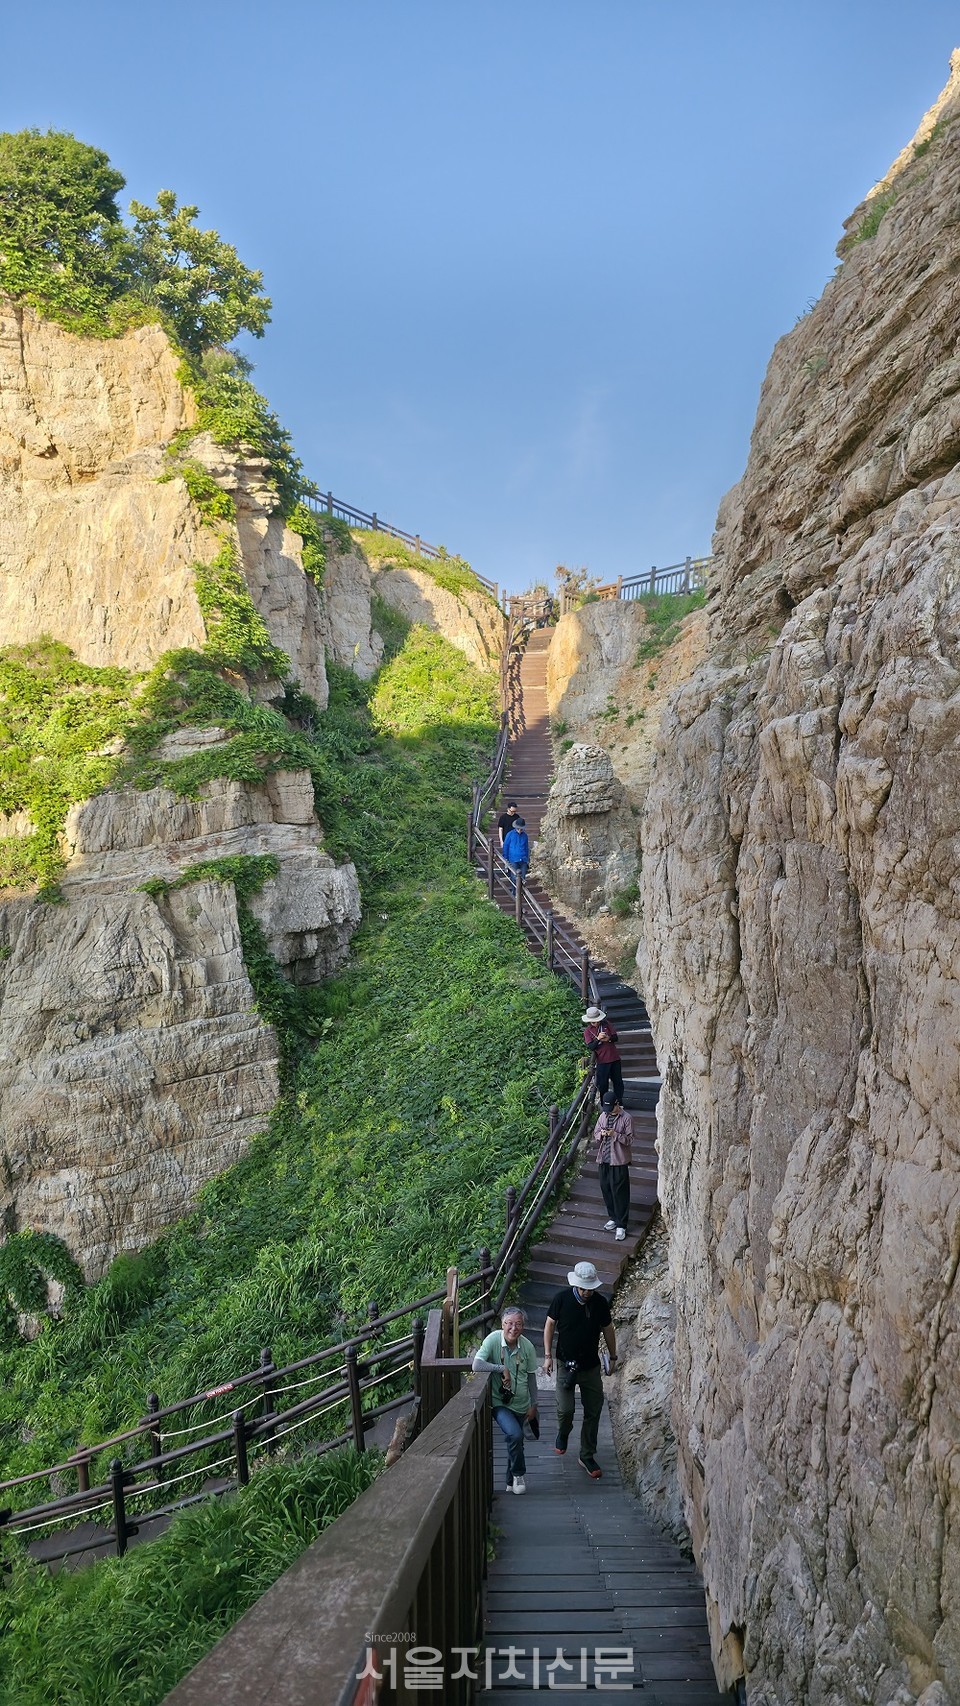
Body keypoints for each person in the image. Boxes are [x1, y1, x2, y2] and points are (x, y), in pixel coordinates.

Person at [543, 1261, 617, 1479]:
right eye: (583, 1288)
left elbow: (608, 1329)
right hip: (566, 1365)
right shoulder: (562, 1299)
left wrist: (613, 1356)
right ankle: (563, 1433)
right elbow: (549, 1325)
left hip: (591, 1366)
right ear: (576, 1284)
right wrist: (547, 1356)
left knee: (594, 1410)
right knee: (566, 1410)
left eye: (590, 1288)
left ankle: (586, 1454)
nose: (586, 1292)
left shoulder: (600, 1303)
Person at [473, 1305, 539, 1494]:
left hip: (522, 1403)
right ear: (502, 1324)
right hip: (500, 1402)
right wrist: (500, 1368)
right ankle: (519, 1474)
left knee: (516, 1440)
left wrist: (534, 1404)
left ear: (523, 1326)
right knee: (515, 1435)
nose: (513, 1328)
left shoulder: (527, 1346)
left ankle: (510, 1482)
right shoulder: (493, 1340)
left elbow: (532, 1378)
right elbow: (476, 1365)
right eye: (509, 1323)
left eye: (518, 1324)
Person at [594, 1089, 633, 1241]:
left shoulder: (627, 1118)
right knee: (606, 1188)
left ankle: (622, 1225)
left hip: (619, 1160)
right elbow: (596, 1133)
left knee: (620, 1192)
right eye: (607, 1110)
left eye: (611, 1109)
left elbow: (630, 1140)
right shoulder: (603, 1115)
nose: (609, 1112)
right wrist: (602, 1134)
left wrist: (615, 1134)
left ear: (617, 1104)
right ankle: (613, 1217)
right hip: (604, 1158)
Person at [581, 1005, 624, 1105]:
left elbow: (615, 1038)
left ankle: (619, 1102)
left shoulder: (606, 1024)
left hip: (614, 1058)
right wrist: (598, 1039)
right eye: (593, 1022)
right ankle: (605, 1104)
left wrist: (608, 1038)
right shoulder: (587, 1031)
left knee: (618, 1082)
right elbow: (591, 1046)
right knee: (603, 1084)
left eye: (596, 1021)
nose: (595, 1023)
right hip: (602, 1061)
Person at [502, 816, 529, 895]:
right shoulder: (510, 834)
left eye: (521, 829)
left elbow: (526, 848)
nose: (520, 830)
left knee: (523, 878)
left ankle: (520, 893)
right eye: (518, 828)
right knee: (514, 877)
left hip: (523, 859)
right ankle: (514, 893)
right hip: (513, 859)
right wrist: (505, 859)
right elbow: (506, 846)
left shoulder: (525, 836)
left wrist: (527, 859)